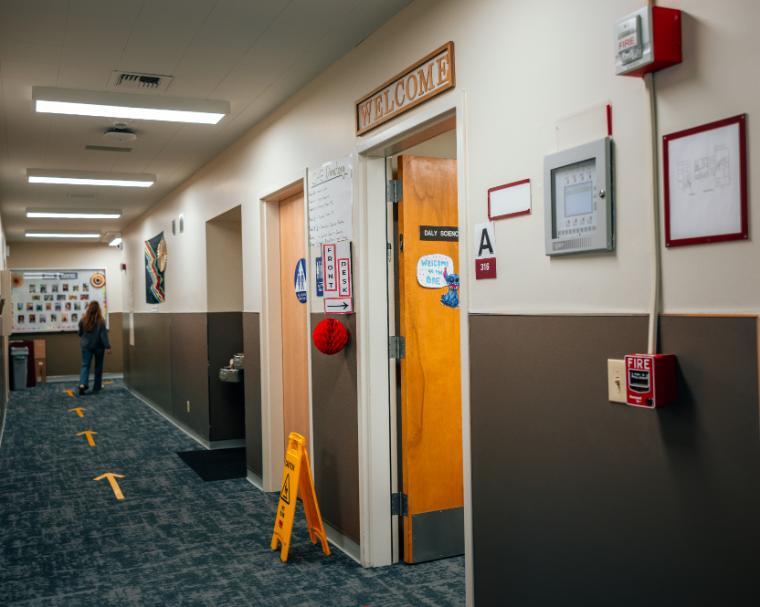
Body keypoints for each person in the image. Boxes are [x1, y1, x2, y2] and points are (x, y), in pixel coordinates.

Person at [78, 301, 111, 395]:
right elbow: (103, 335)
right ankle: (97, 387)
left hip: (86, 346)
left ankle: (82, 384)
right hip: (98, 347)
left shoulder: (82, 320)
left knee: (85, 365)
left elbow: (80, 333)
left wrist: (84, 337)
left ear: (89, 309)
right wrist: (107, 347)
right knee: (98, 366)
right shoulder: (101, 321)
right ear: (98, 309)